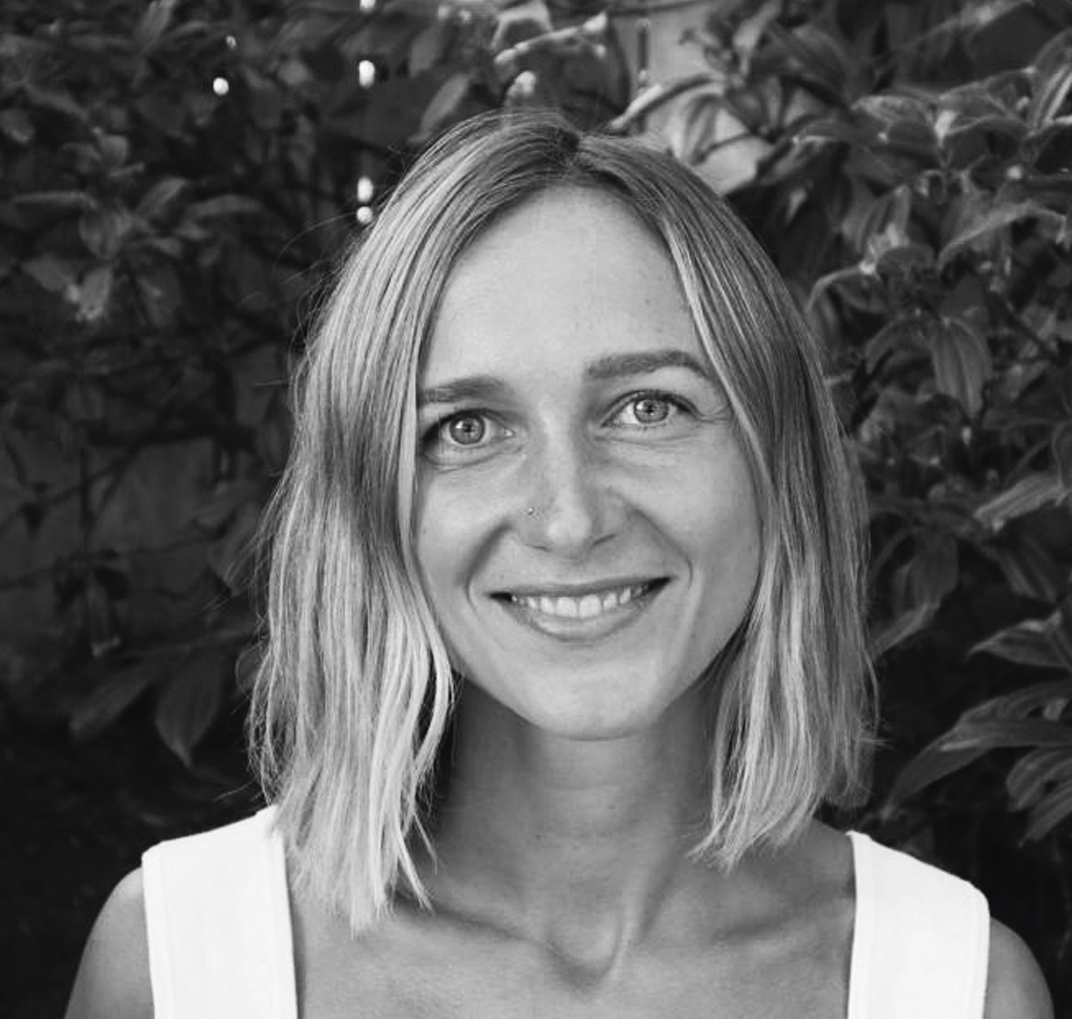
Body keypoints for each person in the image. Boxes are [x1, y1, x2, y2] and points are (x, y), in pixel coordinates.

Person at [65, 111, 1052, 1019]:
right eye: (465, 427)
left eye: (647, 408)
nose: (570, 519)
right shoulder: (178, 963)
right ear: (371, 502)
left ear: (777, 464)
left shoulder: (955, 986)